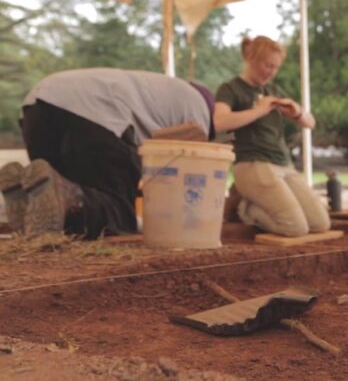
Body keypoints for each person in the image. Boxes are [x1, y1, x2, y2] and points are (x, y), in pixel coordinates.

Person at [0, 68, 216, 239]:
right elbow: (187, 176)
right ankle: (69, 195)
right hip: (95, 111)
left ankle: (26, 196)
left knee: (50, 191)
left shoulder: (159, 91)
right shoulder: (200, 107)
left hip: (37, 105)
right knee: (119, 212)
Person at [214, 36, 330, 236]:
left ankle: (254, 203)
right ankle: (244, 208)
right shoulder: (231, 89)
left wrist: (297, 113)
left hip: (283, 164)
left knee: (320, 223)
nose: (271, 72)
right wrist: (259, 110)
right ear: (251, 58)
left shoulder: (273, 90)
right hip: (253, 163)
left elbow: (310, 123)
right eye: (267, 65)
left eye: (275, 67)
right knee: (295, 227)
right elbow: (219, 122)